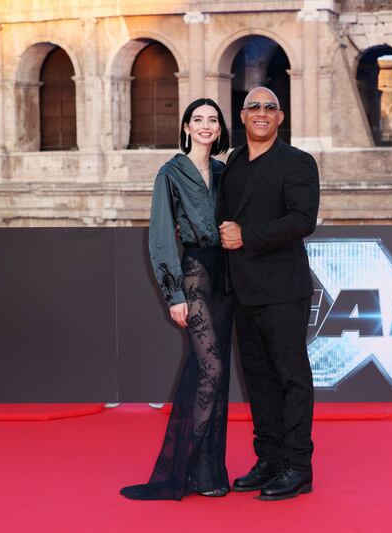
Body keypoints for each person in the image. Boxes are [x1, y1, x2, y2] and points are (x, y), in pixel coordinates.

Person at [120, 98, 232, 501]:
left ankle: (208, 472)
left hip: (227, 282)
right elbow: (161, 238)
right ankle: (183, 466)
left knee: (216, 379)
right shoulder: (170, 173)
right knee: (212, 370)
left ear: (219, 130)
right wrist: (174, 294)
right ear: (186, 127)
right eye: (198, 120)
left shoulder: (223, 172)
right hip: (196, 278)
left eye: (212, 121)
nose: (205, 126)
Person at [218, 87, 320, 501]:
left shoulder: (298, 162)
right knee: (258, 381)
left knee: (291, 379)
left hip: (283, 289)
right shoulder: (233, 163)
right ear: (242, 117)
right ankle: (269, 459)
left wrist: (247, 236)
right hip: (242, 291)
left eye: (269, 107)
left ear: (280, 117)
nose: (261, 113)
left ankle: (298, 466)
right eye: (254, 107)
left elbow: (302, 220)